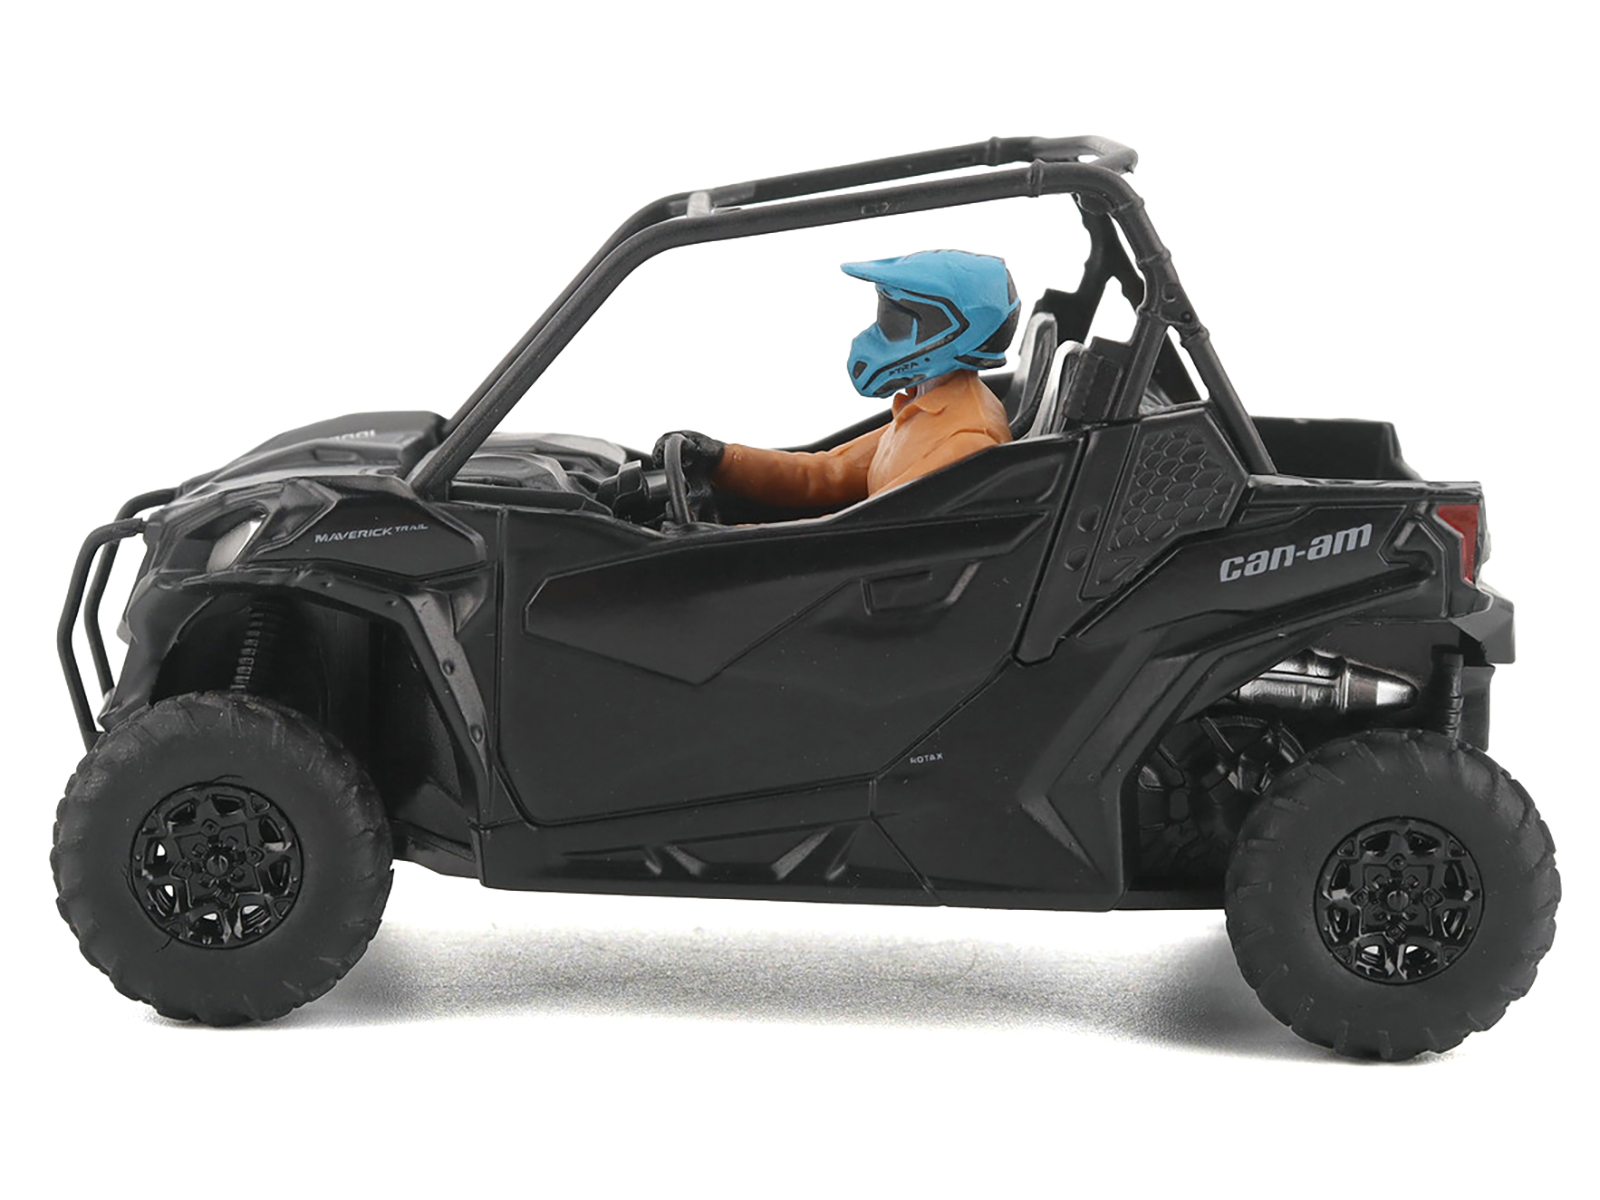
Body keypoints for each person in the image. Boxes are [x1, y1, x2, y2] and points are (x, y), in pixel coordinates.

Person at [656, 249, 1020, 509]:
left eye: (895, 322)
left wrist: (717, 543)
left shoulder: (965, 440)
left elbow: (857, 535)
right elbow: (830, 472)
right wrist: (723, 459)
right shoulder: (926, 408)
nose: (876, 335)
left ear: (948, 331)